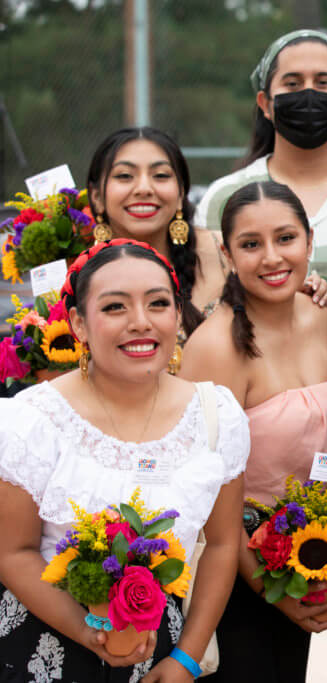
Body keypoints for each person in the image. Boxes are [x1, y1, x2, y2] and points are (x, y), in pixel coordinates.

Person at [0, 239, 248, 681]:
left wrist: (187, 659)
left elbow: (224, 544)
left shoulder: (217, 415)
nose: (140, 323)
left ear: (177, 313)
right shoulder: (30, 419)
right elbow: (13, 552)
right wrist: (91, 632)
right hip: (44, 640)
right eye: (115, 307)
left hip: (161, 649)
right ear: (78, 322)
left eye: (157, 304)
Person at [179, 181, 327, 682]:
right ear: (227, 254)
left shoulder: (326, 318)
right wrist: (272, 590)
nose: (272, 257)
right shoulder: (214, 349)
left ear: (310, 240)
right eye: (251, 244)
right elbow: (205, 494)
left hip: (314, 555)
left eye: (286, 238)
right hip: (236, 576)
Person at [195, 29, 327, 298]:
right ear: (265, 103)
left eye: (323, 82)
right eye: (292, 84)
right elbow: (209, 304)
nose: (308, 94)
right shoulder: (223, 197)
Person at [86, 127, 327, 346]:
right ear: (96, 197)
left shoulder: (227, 250)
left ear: (182, 190)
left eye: (160, 175)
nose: (143, 188)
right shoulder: (72, 273)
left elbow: (279, 291)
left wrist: (305, 290)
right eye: (124, 176)